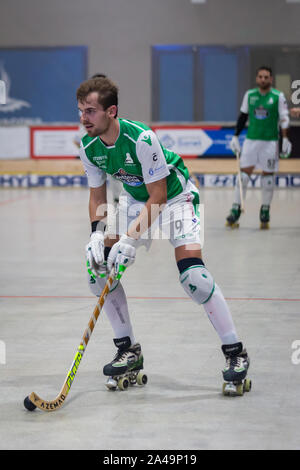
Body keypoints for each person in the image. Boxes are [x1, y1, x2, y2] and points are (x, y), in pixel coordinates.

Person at [76, 76, 250, 395]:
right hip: (134, 201)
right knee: (98, 270)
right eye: (81, 111)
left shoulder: (141, 138)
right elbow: (97, 197)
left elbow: (157, 197)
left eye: (91, 111)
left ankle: (235, 353)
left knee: (194, 277)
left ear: (111, 111)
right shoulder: (89, 146)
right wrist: (95, 237)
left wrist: (129, 240)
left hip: (174, 199)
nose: (84, 118)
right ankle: (128, 350)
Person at [226, 66, 291, 229]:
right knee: (243, 177)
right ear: (257, 79)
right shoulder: (250, 95)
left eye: (266, 77)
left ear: (271, 79)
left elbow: (284, 118)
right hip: (251, 141)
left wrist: (285, 139)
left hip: (270, 142)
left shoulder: (278, 96)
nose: (263, 79)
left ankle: (265, 211)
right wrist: (235, 136)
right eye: (260, 77)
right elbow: (243, 116)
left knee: (268, 177)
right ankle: (235, 210)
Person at [73, 74, 122, 204]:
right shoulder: (84, 115)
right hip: (93, 148)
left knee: (116, 175)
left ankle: (118, 200)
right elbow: (77, 139)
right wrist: (87, 152)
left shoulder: (106, 107)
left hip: (109, 149)